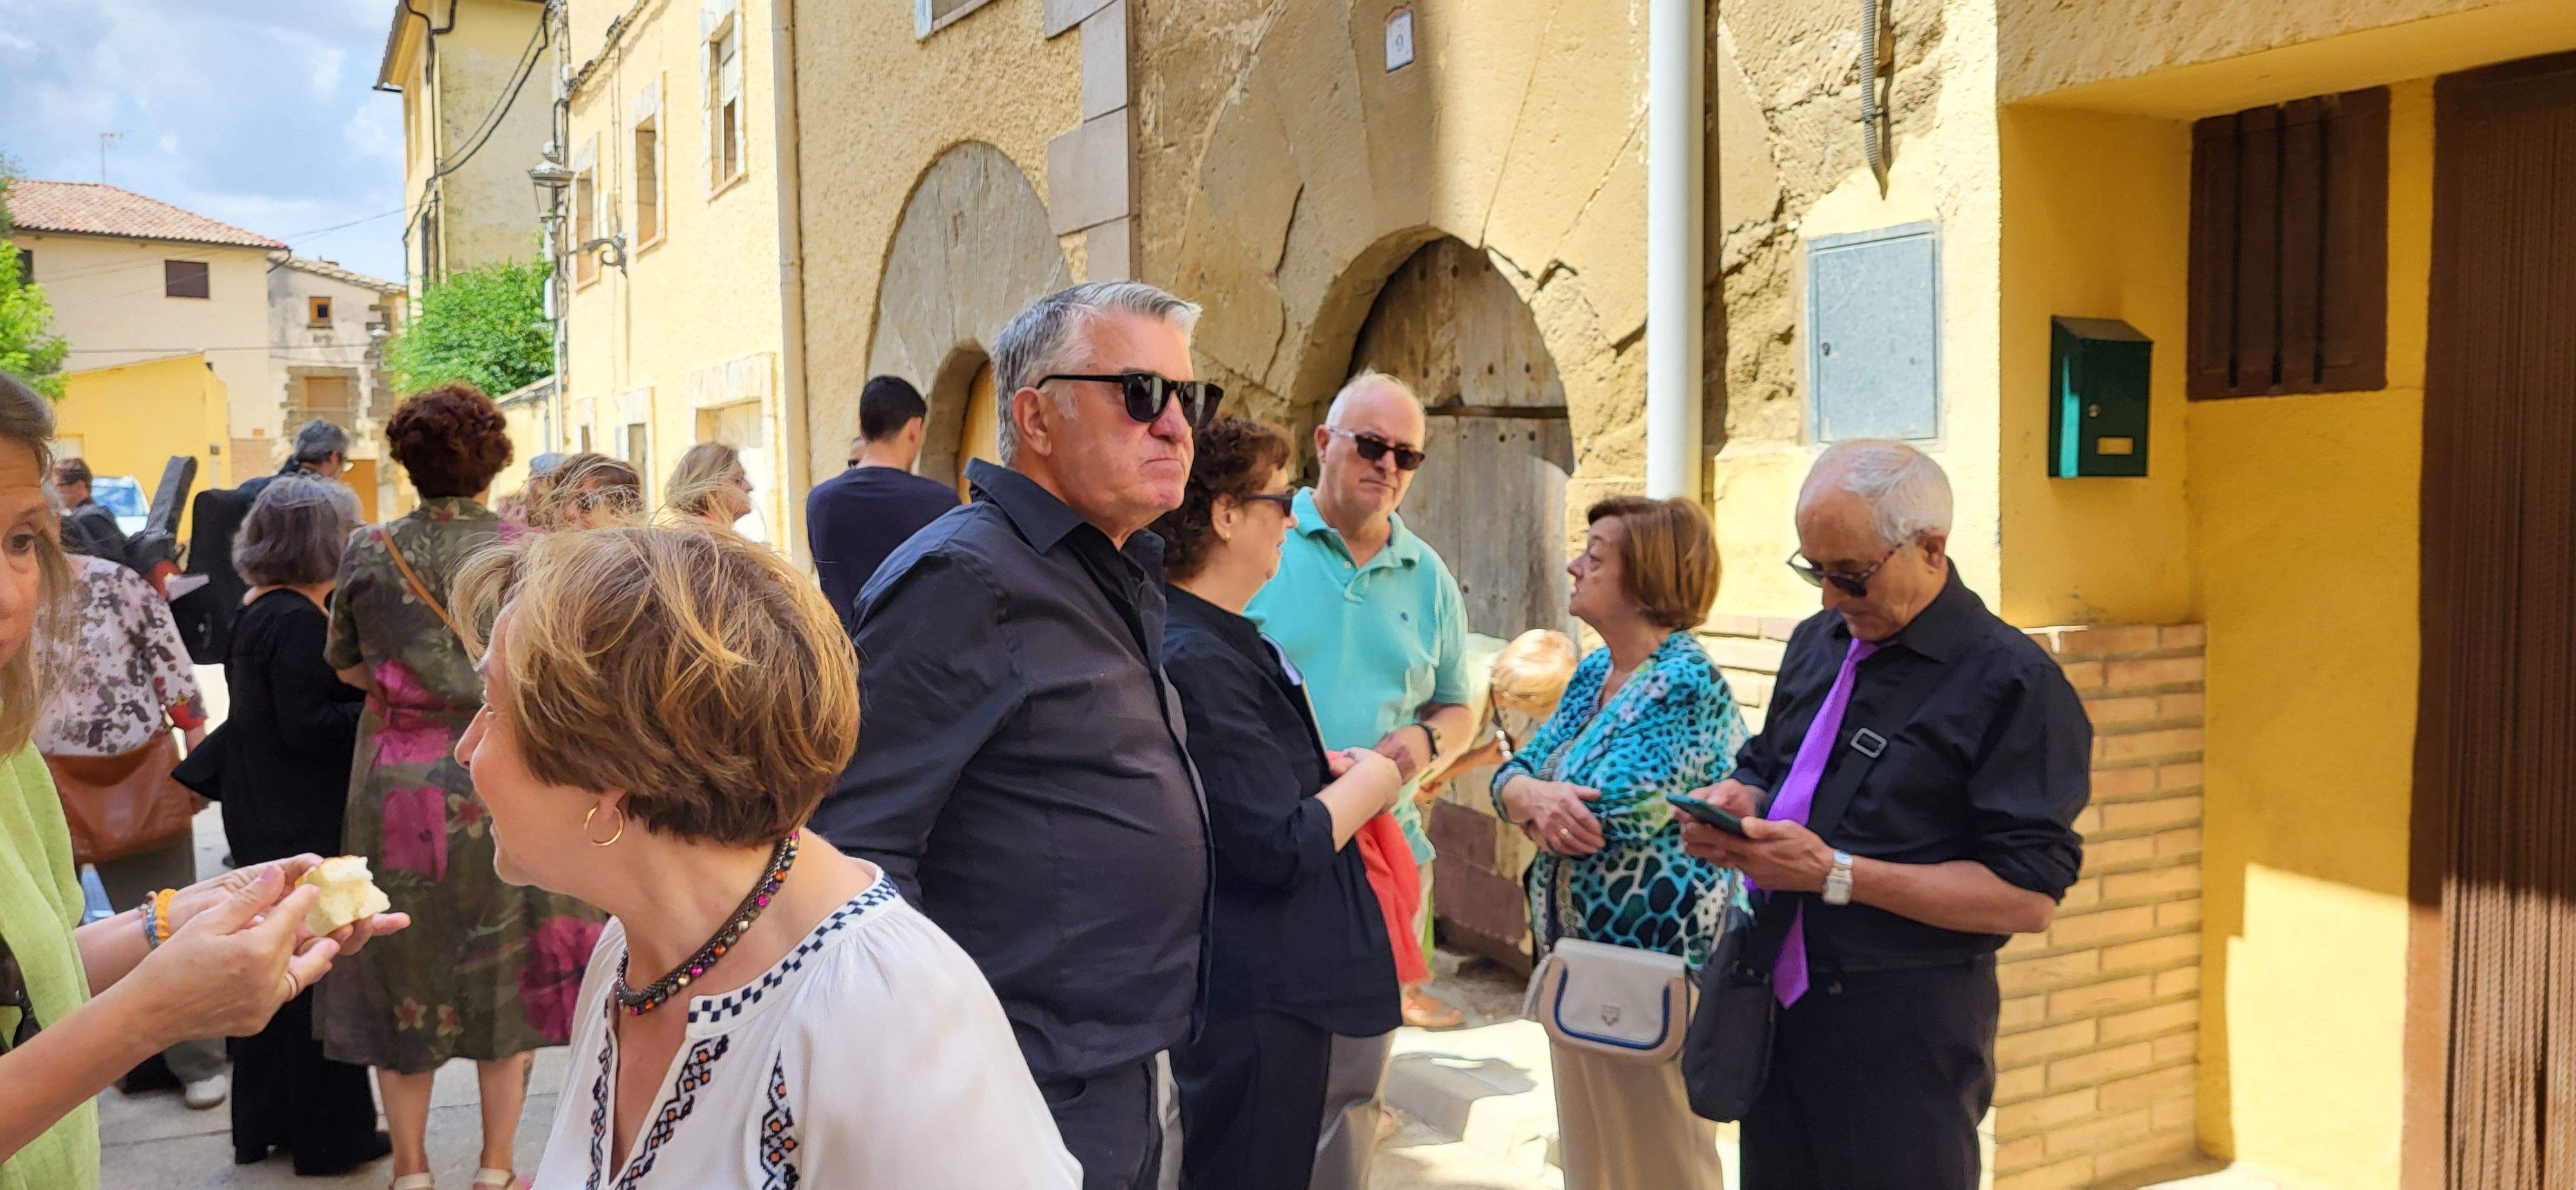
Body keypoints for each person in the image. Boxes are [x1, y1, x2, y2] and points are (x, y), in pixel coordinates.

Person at [448, 522, 1079, 1188]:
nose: (466, 749)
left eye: (493, 707)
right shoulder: (635, 948)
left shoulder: (881, 1011)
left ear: (607, 775)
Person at [811, 281, 1221, 1190]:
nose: (1178, 426)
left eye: (1190, 399)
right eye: (1142, 394)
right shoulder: (965, 578)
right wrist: (949, 1069)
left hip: (1118, 1063)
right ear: (1035, 418)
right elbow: (859, 847)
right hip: (1020, 1082)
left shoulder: (1105, 569)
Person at [0, 370, 404, 1190]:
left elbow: (32, 972)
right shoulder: (293, 622)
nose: (10, 593)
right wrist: (150, 1014)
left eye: (16, 542)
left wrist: (179, 919)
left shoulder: (13, 763)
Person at [1680, 440, 2091, 1190]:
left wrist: (1834, 874)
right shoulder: (1820, 641)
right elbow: (1770, 765)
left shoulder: (2014, 682)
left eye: (1850, 575)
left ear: (1930, 548)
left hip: (1902, 1032)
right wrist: (1738, 801)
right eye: (1815, 571)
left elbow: (2027, 898)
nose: (1830, 598)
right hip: (1775, 1005)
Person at [321, 384, 602, 1190]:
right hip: (503, 765)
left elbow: (343, 662)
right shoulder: (528, 545)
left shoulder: (369, 547)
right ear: (492, 458)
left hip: (397, 783)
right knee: (503, 958)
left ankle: (410, 1171)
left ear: (407, 460)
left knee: (400, 961)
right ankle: (496, 1167)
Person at [1152, 417, 1405, 1189]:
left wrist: (1313, 769)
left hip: (1284, 989)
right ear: (1226, 515)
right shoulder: (1195, 652)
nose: (1292, 520)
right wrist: (1377, 778)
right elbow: (1273, 842)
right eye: (1278, 499)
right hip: (1271, 999)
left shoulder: (1226, 637)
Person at [1244, 369, 1472, 1189]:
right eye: (1370, 444)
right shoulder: (1258, 540)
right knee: (1254, 1077)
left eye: (1406, 454)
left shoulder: (1427, 573)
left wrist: (1422, 742)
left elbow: (1457, 704)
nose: (1387, 466)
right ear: (1322, 444)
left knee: (1355, 1090)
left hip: (1383, 857)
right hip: (1270, 850)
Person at [1492, 495, 1747, 1189]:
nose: (1575, 565)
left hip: (1656, 977)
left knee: (1659, 1168)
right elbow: (1515, 770)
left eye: (1596, 557)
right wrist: (1527, 795)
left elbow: (1612, 812)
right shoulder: (1593, 674)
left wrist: (1531, 793)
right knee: (1594, 1166)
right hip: (1579, 962)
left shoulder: (1685, 684)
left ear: (1647, 579)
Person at [216, 473, 392, 1175]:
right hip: (297, 814)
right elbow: (309, 725)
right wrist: (384, 706)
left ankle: (267, 1125)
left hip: (264, 808)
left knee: (275, 974)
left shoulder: (261, 607)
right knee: (318, 978)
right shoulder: (295, 619)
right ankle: (331, 1137)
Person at [35, 487, 225, 1109]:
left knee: (165, 919)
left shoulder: (116, 583)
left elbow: (174, 673)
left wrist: (197, 749)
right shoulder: (115, 582)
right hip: (39, 777)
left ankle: (193, 1060)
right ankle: (127, 1062)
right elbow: (171, 669)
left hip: (130, 771)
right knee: (134, 923)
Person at [175, 419, 351, 661]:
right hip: (299, 629)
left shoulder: (253, 489)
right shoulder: (326, 503)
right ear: (333, 457)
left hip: (241, 624)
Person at [805, 374, 958, 632]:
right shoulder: (941, 503)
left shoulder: (821, 502)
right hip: (919, 664)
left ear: (863, 432)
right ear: (914, 428)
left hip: (845, 663)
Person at [522, 453, 642, 533]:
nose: (569, 512)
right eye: (562, 500)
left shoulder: (642, 567)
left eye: (585, 502)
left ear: (622, 513)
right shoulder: (547, 561)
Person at [50, 458, 130, 570]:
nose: (55, 491)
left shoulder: (90, 518)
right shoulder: (95, 514)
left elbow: (112, 563)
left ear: (79, 486)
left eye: (59, 486)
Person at [667, 441, 756, 529]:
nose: (749, 487)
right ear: (709, 489)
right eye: (738, 480)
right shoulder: (702, 540)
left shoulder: (695, 536)